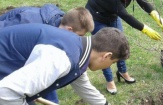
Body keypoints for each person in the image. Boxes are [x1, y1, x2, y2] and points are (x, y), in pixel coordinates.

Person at [0, 24, 130, 105]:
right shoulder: (62, 57)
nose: (108, 67)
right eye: (113, 63)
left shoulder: (79, 49)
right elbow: (6, 92)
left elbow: (83, 85)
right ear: (106, 56)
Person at [85, 0, 163, 95]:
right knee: (105, 50)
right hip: (97, 18)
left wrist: (155, 14)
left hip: (112, 15)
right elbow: (125, 15)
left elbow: (142, 0)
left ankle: (122, 72)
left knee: (120, 44)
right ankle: (109, 80)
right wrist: (145, 29)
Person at [0, 4, 96, 104]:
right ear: (69, 30)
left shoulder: (61, 24)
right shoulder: (27, 22)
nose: (79, 40)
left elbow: (46, 75)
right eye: (79, 35)